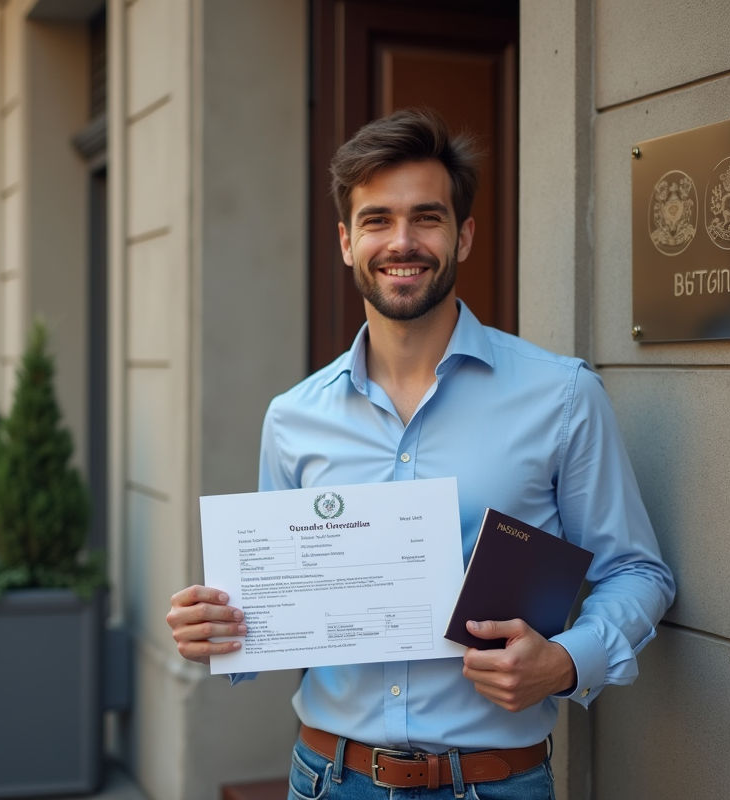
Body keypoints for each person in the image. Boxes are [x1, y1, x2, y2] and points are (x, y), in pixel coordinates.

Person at [165, 109, 675, 798]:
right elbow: (275, 611)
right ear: (347, 242)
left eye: (426, 217)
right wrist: (218, 628)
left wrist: (564, 661)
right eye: (376, 220)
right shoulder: (292, 420)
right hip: (327, 779)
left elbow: (639, 572)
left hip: (494, 782)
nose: (401, 241)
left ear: (463, 234)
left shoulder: (562, 398)